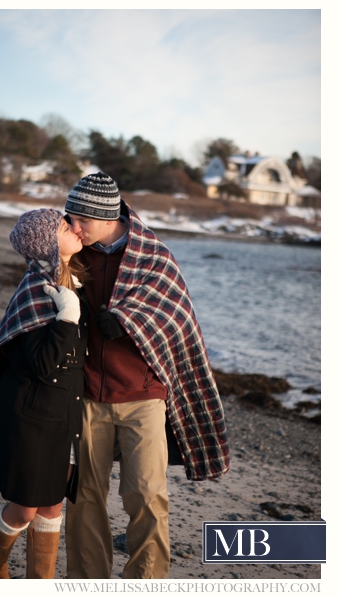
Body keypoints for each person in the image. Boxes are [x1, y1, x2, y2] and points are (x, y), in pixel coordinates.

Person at [61, 172, 229, 579]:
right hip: (87, 395)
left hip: (143, 395)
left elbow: (175, 315)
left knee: (147, 496)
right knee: (83, 497)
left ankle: (146, 583)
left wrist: (130, 320)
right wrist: (62, 262)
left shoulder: (153, 254)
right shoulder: (73, 251)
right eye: (70, 218)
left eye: (81, 220)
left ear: (106, 217)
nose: (73, 227)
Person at [0, 208, 89, 579]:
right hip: (31, 416)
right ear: (46, 242)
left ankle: (40, 582)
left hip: (63, 415)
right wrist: (68, 317)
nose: (76, 229)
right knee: (25, 508)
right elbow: (43, 364)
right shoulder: (36, 290)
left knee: (52, 507)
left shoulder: (71, 283)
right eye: (64, 226)